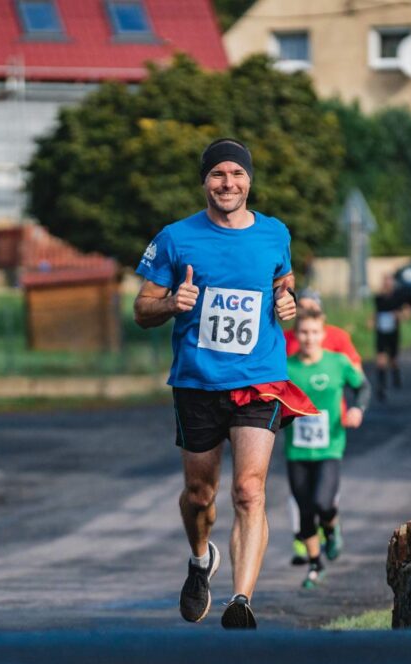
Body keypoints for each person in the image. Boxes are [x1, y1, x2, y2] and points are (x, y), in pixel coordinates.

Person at [134, 138, 313, 630]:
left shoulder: (275, 232)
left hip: (259, 379)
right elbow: (140, 308)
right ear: (205, 182)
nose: (227, 183)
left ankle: (241, 601)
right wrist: (172, 303)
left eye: (236, 174)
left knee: (249, 491)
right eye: (217, 175)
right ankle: (199, 560)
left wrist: (288, 301)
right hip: (197, 382)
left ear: (249, 180)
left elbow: (284, 280)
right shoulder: (176, 238)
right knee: (200, 494)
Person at [285, 307, 370, 589]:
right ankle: (315, 565)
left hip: (330, 447)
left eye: (314, 332)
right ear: (296, 335)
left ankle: (332, 529)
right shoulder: (287, 367)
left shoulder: (338, 363)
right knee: (305, 509)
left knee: (322, 503)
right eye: (304, 332)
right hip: (296, 450)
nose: (309, 338)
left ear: (323, 334)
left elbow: (362, 387)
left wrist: (357, 409)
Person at [371, 273, 411, 401]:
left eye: (389, 282)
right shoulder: (378, 297)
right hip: (381, 332)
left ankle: (396, 374)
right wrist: (372, 321)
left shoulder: (398, 296)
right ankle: (381, 387)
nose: (387, 284)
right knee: (381, 360)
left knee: (393, 359)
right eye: (385, 282)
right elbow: (376, 313)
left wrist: (399, 315)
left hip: (393, 332)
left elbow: (408, 311)